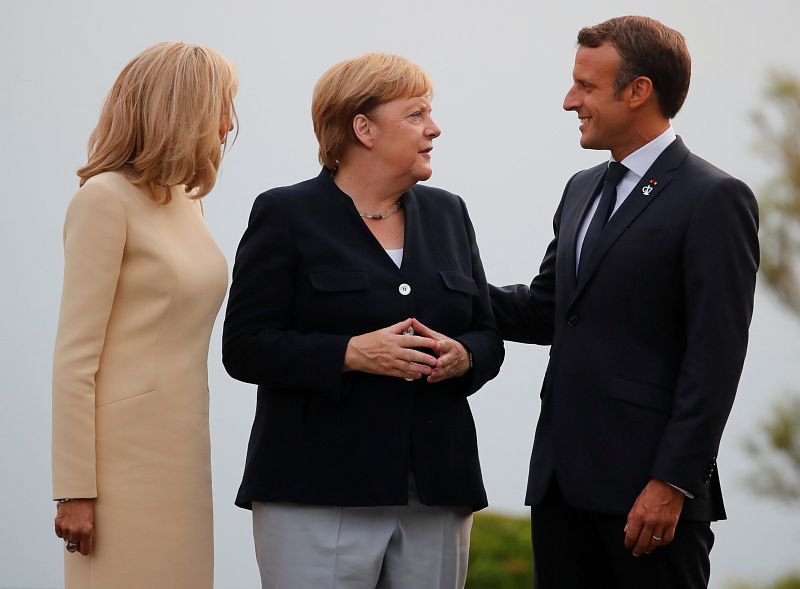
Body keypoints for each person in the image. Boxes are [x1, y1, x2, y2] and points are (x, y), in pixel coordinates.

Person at [490, 16, 759, 589]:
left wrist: (672, 483)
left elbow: (716, 357)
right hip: (560, 488)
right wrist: (449, 291)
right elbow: (549, 310)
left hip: (649, 500)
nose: (570, 101)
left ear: (638, 91)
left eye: (586, 86)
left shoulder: (715, 198)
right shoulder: (582, 189)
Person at [222, 52, 504, 589]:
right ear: (363, 128)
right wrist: (350, 353)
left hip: (438, 490)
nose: (434, 128)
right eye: (416, 114)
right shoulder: (285, 214)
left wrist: (464, 357)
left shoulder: (450, 213)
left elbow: (487, 335)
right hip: (315, 490)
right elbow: (245, 346)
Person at [51, 42, 237, 589]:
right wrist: (75, 489)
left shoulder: (186, 200)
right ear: (181, 110)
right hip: (119, 467)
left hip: (184, 450)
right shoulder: (103, 200)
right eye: (221, 106)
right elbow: (74, 356)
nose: (229, 124)